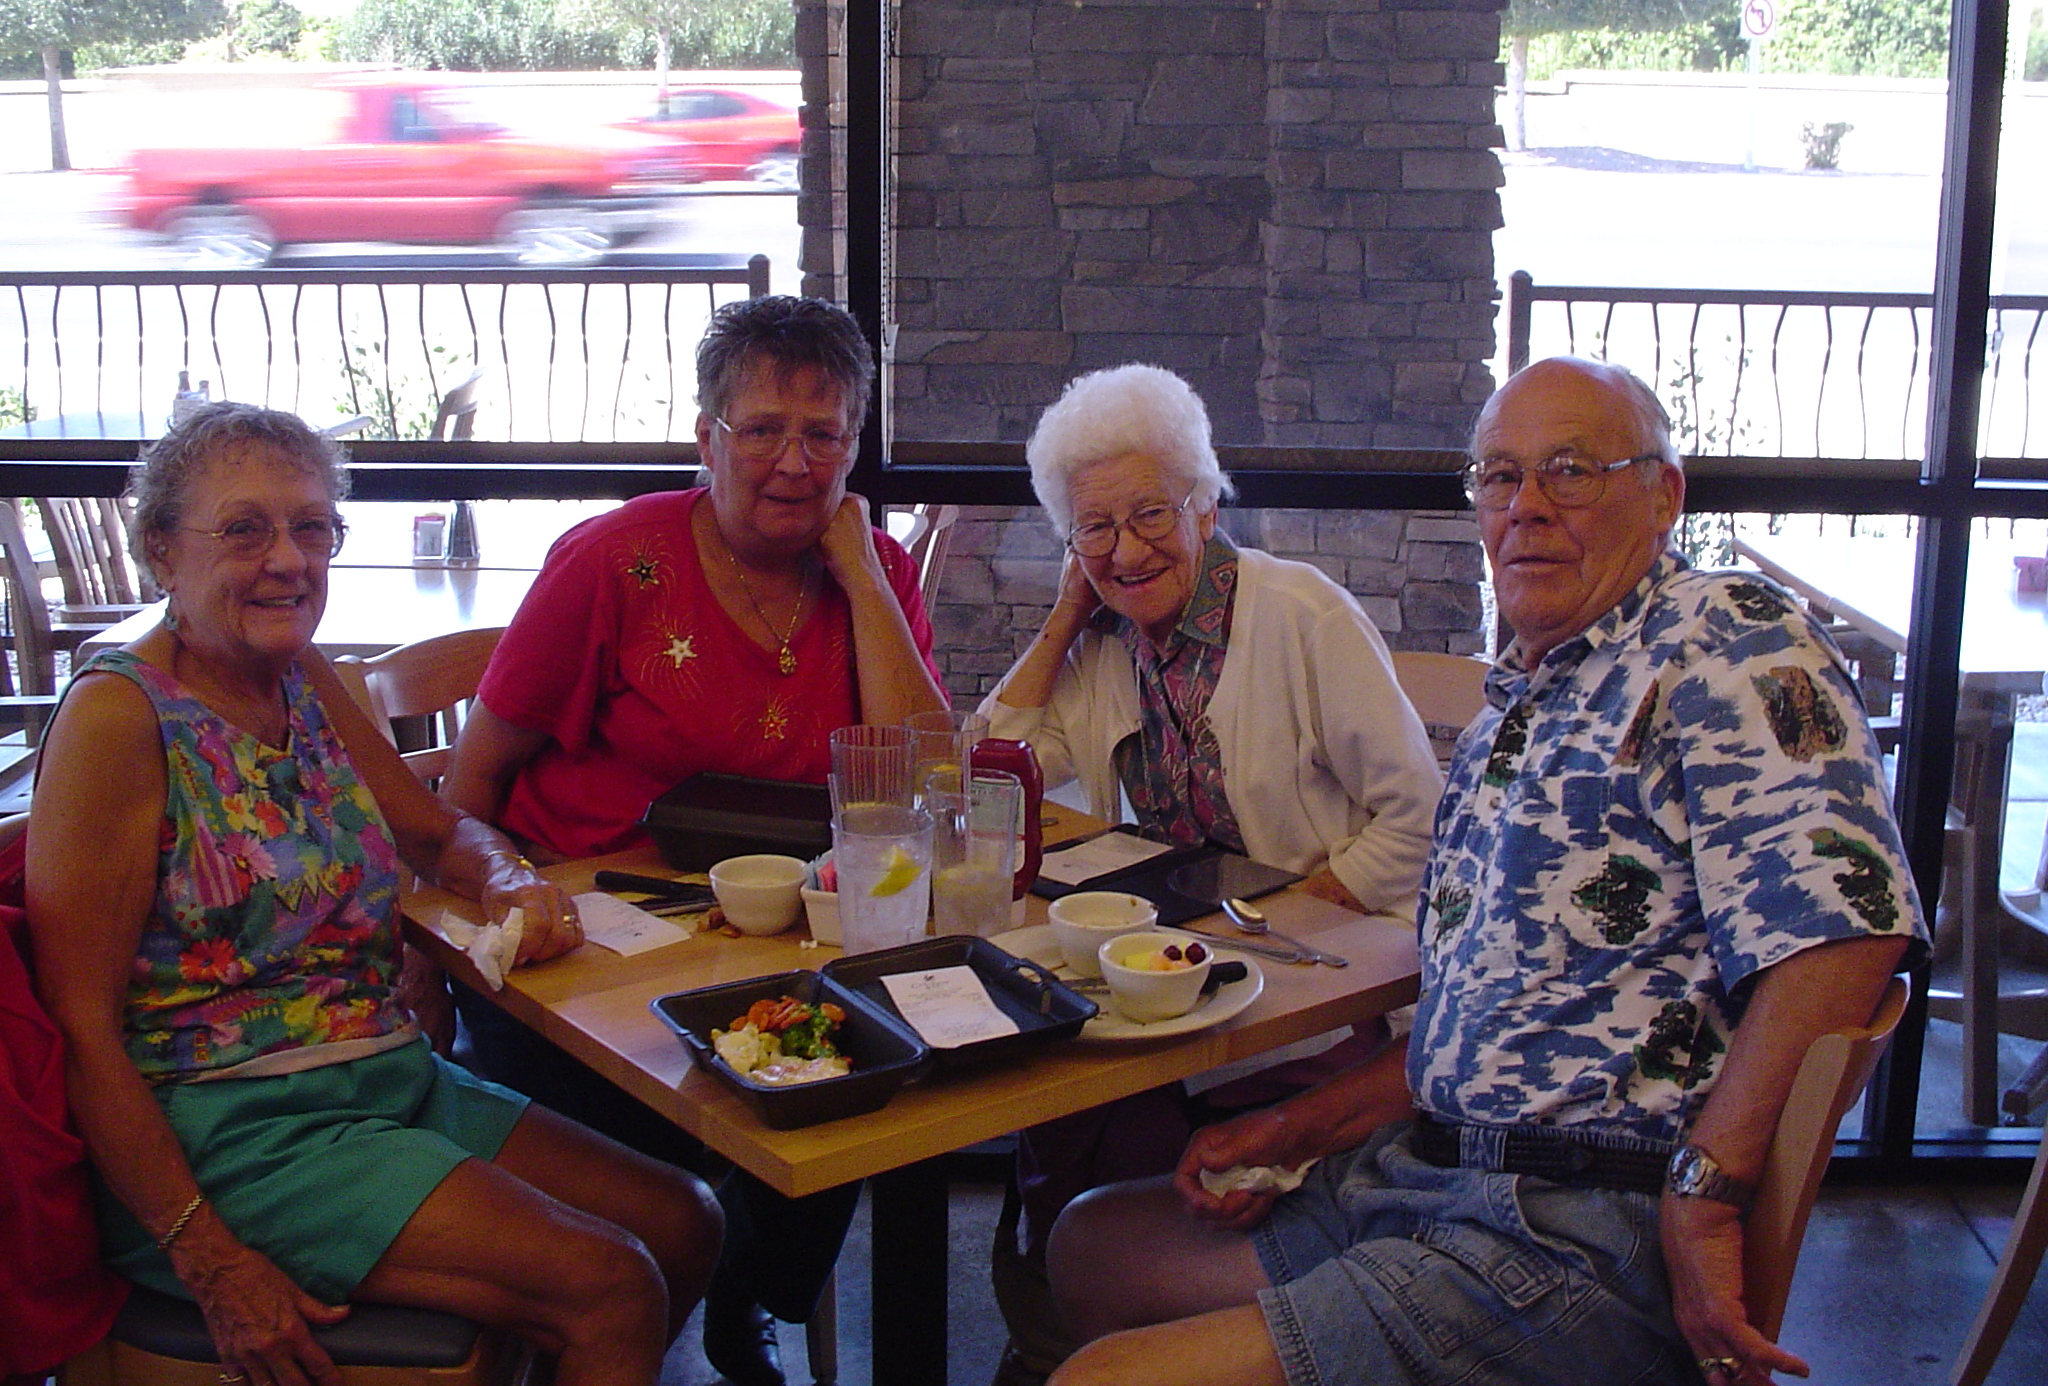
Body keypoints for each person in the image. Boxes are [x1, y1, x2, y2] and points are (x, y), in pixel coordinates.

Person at [1040, 356, 1929, 1386]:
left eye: (1570, 472)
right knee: (1091, 1249)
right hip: (1429, 1172)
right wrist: (1297, 1124)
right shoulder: (1529, 691)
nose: (1526, 508)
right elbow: (1476, 1027)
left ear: (1662, 495)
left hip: (1570, 1233)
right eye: (1498, 477)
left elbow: (1848, 926)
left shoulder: (1720, 643)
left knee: (1095, 1381)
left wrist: (1704, 1184)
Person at [27, 404, 722, 1386]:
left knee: (682, 1218)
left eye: (312, 528)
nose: (288, 560)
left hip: (383, 1080)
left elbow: (438, 831)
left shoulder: (298, 671)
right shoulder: (119, 718)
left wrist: (507, 878)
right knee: (612, 1284)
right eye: (244, 528)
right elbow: (82, 1030)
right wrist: (212, 1258)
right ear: (160, 552)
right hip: (229, 1132)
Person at [445, 292, 947, 1386]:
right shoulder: (612, 564)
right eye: (760, 430)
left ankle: (748, 1298)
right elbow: (466, 790)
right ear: (705, 439)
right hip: (579, 952)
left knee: (874, 1077)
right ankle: (707, 1279)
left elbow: (925, 778)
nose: (791, 463)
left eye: (824, 435)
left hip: (776, 937)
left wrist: (861, 575)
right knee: (725, 1128)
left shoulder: (872, 571)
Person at [980, 363, 1444, 1382]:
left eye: (1149, 513)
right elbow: (987, 775)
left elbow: (1418, 814)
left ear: (1201, 500)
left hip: (1312, 1000)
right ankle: (1082, 1333)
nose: (1126, 548)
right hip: (1174, 989)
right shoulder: (1104, 641)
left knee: (1098, 1129)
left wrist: (1279, 917)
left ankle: (1141, 1340)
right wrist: (1064, 619)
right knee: (1059, 1112)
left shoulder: (1298, 616)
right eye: (1091, 529)